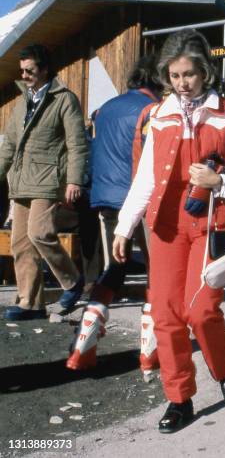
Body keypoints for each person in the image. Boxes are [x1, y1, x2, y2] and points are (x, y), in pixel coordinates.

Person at [112, 29, 225, 433]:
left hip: (211, 224)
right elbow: (144, 179)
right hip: (166, 226)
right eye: (175, 76)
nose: (182, 83)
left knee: (201, 310)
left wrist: (219, 182)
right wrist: (124, 227)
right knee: (165, 315)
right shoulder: (158, 115)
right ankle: (179, 399)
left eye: (189, 74)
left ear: (205, 71)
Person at [66, 55, 163, 371]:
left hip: (106, 199)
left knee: (116, 266)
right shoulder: (153, 110)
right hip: (141, 198)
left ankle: (86, 336)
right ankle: (150, 349)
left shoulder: (105, 109)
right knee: (155, 269)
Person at [0, 44, 88, 321]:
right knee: (21, 244)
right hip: (21, 181)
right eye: (22, 70)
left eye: (30, 70)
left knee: (40, 233)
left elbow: (77, 144)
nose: (24, 75)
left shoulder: (64, 99)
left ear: (45, 69)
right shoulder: (21, 102)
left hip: (49, 180)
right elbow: (9, 145)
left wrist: (74, 180)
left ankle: (72, 281)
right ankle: (30, 303)